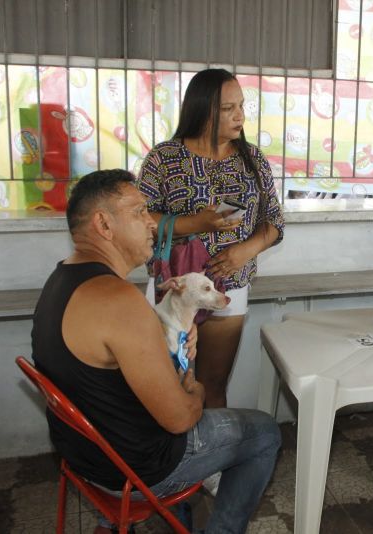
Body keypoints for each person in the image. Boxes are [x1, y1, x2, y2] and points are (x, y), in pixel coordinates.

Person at [31, 169, 281, 534]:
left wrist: (171, 344)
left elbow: (109, 369)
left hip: (84, 458)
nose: (152, 222)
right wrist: (194, 386)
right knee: (264, 432)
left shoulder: (60, 281)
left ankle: (172, 521)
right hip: (134, 469)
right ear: (103, 224)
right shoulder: (120, 301)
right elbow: (180, 419)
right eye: (139, 212)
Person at [137, 68, 285, 409]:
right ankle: (172, 458)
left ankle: (212, 459)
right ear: (203, 109)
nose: (240, 116)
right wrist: (194, 224)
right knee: (167, 382)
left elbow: (274, 222)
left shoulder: (252, 160)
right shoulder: (164, 158)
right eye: (228, 108)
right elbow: (141, 218)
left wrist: (244, 251)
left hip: (227, 286)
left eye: (242, 106)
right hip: (175, 287)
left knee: (212, 385)